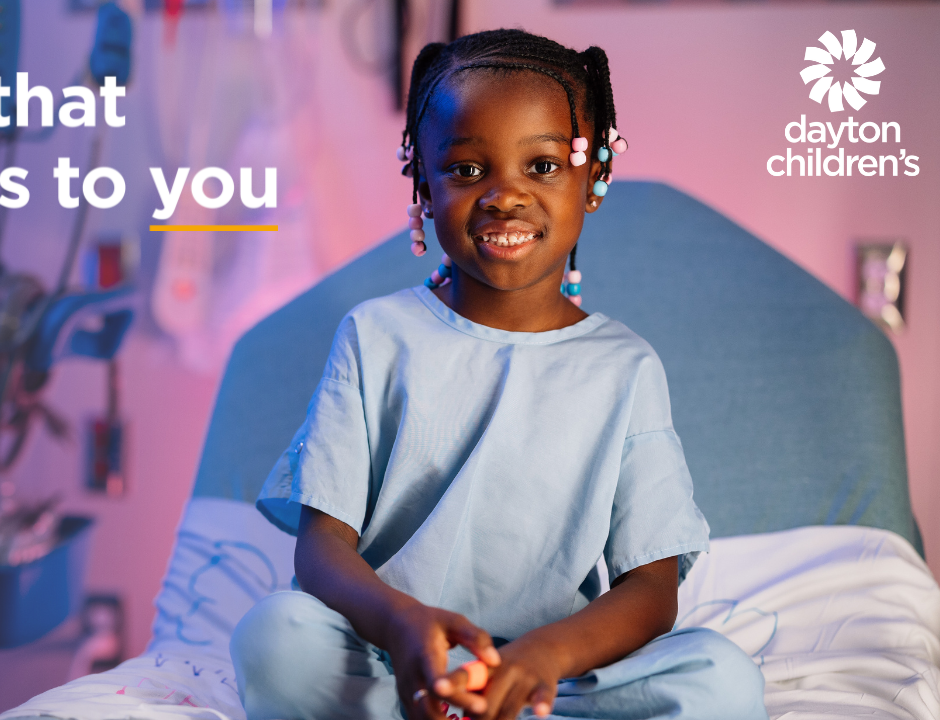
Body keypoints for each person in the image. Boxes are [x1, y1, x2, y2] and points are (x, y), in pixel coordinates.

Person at [229, 28, 768, 720]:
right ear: (422, 183)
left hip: (555, 680)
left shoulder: (624, 368)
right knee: (276, 638)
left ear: (594, 176)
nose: (504, 197)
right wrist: (398, 624)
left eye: (541, 166)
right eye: (465, 170)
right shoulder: (376, 337)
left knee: (720, 679)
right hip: (397, 663)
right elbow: (321, 549)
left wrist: (543, 658)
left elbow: (651, 586)